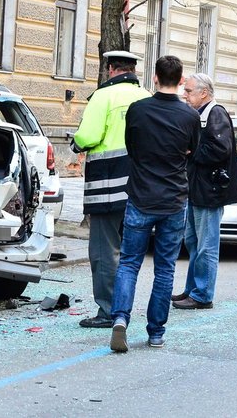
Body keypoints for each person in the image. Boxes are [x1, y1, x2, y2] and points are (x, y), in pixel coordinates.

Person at [109, 56, 200, 352]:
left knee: (128, 263)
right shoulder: (189, 116)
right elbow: (193, 152)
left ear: (155, 78)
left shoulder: (138, 110)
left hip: (140, 196)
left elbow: (131, 148)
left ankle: (120, 319)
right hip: (174, 199)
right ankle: (156, 332)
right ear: (181, 79)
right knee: (165, 268)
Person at [72, 50, 150, 329]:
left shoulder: (102, 97)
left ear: (111, 70)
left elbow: (88, 136)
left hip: (107, 186)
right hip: (141, 187)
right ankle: (125, 308)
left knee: (104, 251)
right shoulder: (146, 96)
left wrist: (76, 143)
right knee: (130, 252)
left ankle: (108, 311)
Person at [172, 73, 237, 311]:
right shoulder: (201, 114)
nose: (185, 95)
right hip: (197, 188)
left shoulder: (215, 113)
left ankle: (202, 294)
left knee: (206, 245)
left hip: (209, 190)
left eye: (189, 91)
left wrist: (191, 151)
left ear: (204, 93)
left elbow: (220, 149)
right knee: (193, 241)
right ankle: (192, 289)